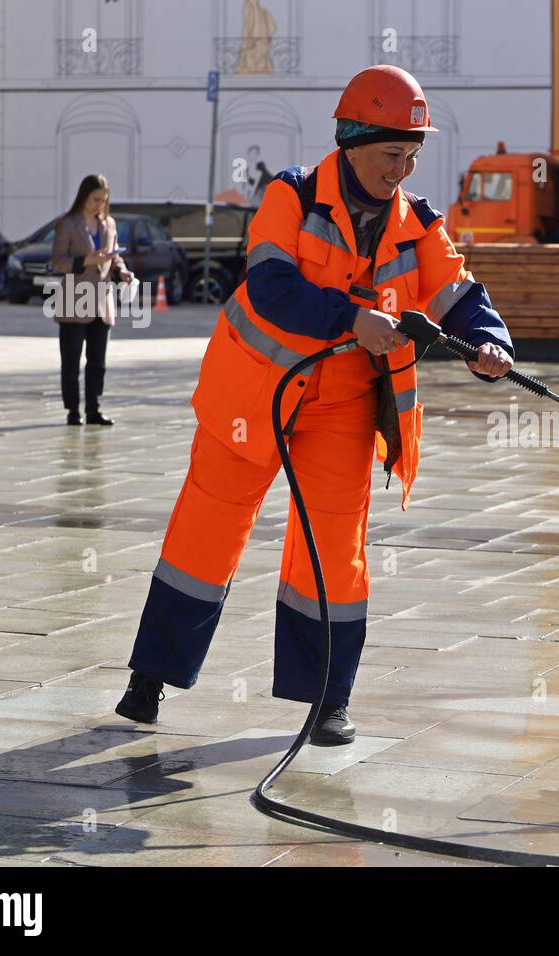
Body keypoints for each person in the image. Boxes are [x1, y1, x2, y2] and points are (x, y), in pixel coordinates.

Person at [114, 65, 515, 745]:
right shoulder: (290, 196)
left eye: (413, 156)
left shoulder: (419, 224)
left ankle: (328, 699)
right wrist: (352, 317)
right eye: (393, 154)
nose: (403, 169)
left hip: (345, 406)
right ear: (353, 142)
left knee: (335, 550)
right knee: (203, 536)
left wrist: (489, 343)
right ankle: (150, 677)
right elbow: (271, 286)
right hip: (254, 394)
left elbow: (458, 293)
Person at [50, 174, 134, 426]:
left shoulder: (109, 224)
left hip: (102, 301)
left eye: (103, 200)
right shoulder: (67, 224)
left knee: (98, 360)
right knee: (72, 360)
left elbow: (114, 256)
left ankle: (94, 409)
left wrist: (122, 271)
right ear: (83, 196)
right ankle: (73, 411)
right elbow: (57, 262)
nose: (99, 204)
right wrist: (86, 261)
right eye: (95, 199)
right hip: (75, 300)